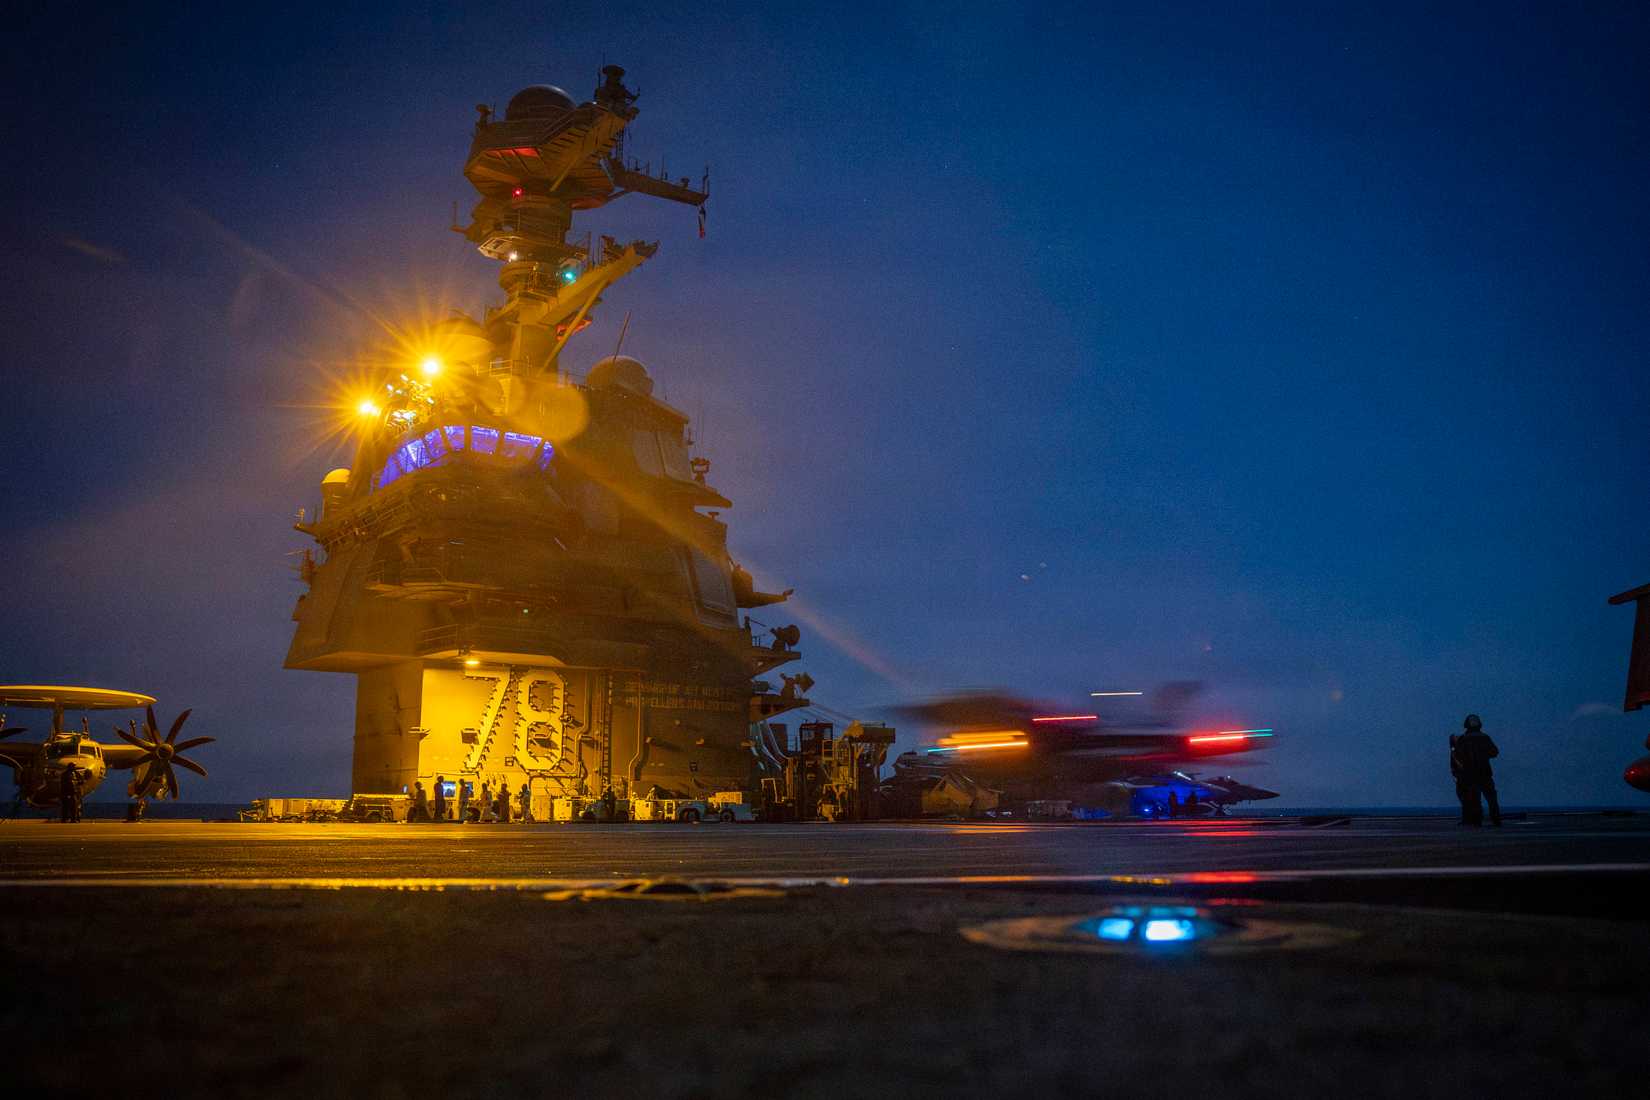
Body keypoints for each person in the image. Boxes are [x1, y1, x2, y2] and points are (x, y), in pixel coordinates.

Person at [1454, 714, 1502, 826]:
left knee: (1475, 799)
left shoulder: (1464, 739)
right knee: (1491, 798)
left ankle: (1477, 821)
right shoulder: (1485, 737)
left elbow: (1458, 756)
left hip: (1471, 774)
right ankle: (1496, 819)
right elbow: (1494, 752)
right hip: (1485, 772)